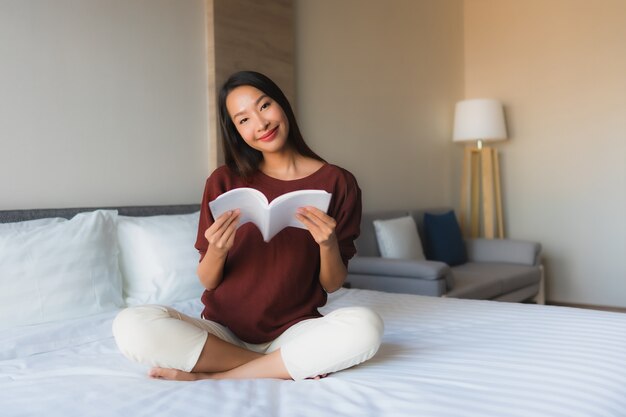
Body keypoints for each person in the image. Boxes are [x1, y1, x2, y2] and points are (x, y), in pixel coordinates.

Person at [112, 70, 383, 381]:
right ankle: (276, 365)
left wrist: (327, 243)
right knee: (131, 325)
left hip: (294, 331)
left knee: (366, 326)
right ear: (236, 132)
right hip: (221, 333)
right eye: (244, 120)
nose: (261, 123)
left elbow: (332, 284)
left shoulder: (338, 182)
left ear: (282, 105)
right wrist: (217, 249)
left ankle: (215, 376)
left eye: (264, 106)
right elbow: (208, 280)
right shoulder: (224, 181)